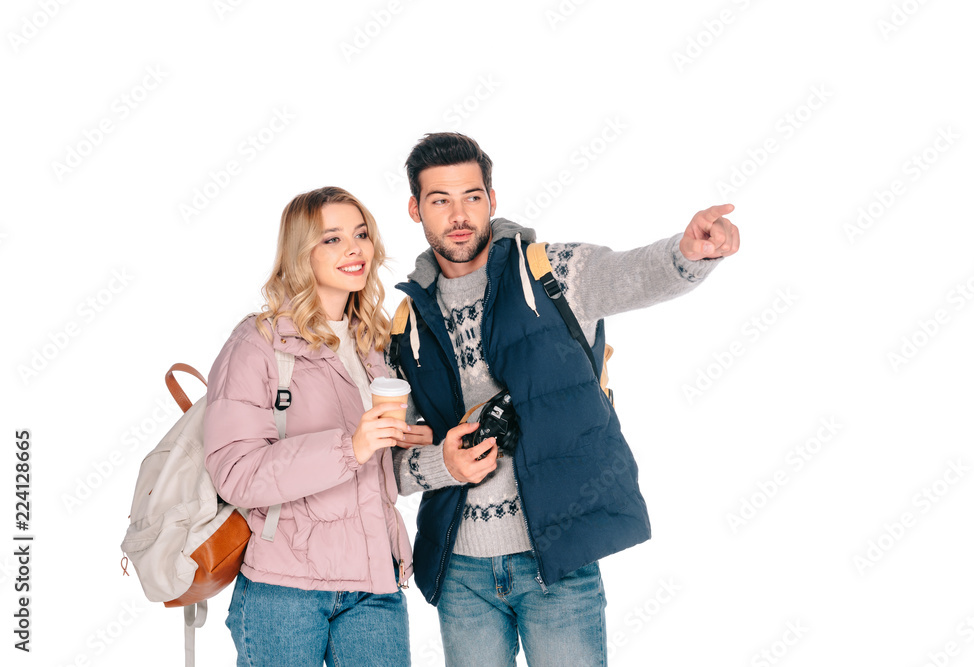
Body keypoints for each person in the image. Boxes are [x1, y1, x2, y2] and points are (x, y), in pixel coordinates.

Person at [389, 133, 740, 666]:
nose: (459, 215)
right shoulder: (405, 326)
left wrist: (689, 252)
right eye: (441, 200)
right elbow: (388, 467)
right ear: (416, 208)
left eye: (472, 196)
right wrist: (442, 463)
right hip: (461, 573)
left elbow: (632, 274)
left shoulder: (549, 271)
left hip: (557, 557)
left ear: (492, 199)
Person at [203, 186, 434, 666]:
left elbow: (378, 468)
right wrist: (350, 447)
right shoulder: (258, 343)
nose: (354, 250)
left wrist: (413, 443)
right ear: (299, 252)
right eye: (332, 239)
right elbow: (235, 473)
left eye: (361, 234)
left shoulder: (375, 338)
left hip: (376, 582)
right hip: (283, 591)